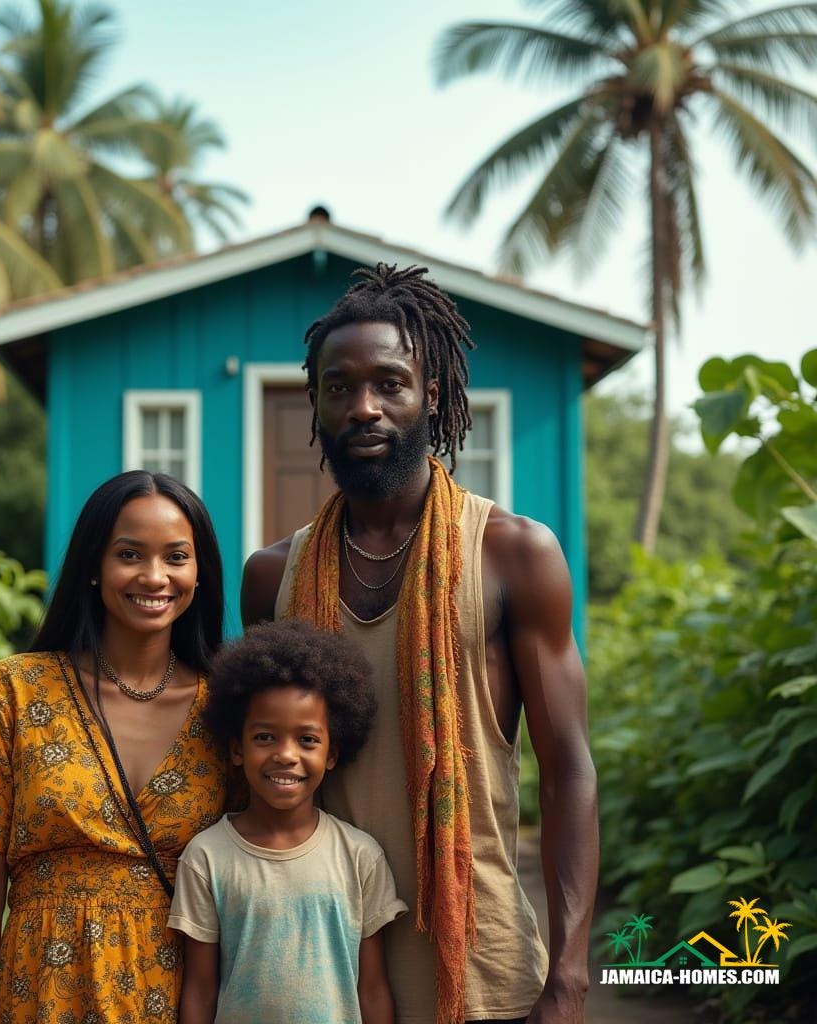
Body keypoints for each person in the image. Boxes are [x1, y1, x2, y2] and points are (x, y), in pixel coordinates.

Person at [241, 264, 599, 1024]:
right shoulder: (273, 576)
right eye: (340, 387)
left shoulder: (512, 554)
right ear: (316, 405)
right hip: (321, 969)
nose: (364, 406)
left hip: (476, 968)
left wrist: (568, 979)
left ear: (430, 396)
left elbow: (569, 771)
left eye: (389, 384)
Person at [0, 470, 228, 1024]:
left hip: (177, 993)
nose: (154, 576)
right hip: (41, 989)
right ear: (94, 567)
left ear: (199, 574)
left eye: (176, 557)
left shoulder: (228, 708)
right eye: (129, 554)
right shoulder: (19, 688)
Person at [169, 618, 407, 1024]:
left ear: (332, 755)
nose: (286, 755)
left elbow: (372, 990)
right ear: (237, 749)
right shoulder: (206, 857)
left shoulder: (360, 857)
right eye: (265, 737)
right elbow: (200, 990)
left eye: (307, 740)